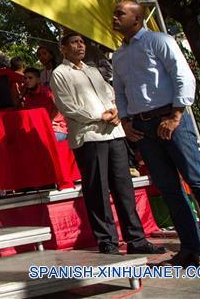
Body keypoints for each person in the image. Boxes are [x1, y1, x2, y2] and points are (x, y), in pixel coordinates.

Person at [113, 1, 200, 271]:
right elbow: (119, 91)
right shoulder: (118, 55)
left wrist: (176, 116)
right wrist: (125, 120)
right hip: (142, 127)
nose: (114, 17)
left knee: (199, 183)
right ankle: (191, 250)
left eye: (120, 13)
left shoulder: (159, 41)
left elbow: (183, 76)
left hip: (172, 119)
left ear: (137, 19)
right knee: (168, 189)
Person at [52, 32, 165, 256]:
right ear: (63, 49)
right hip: (89, 136)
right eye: (74, 43)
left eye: (82, 42)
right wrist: (99, 116)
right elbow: (67, 107)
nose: (80, 46)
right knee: (98, 190)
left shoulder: (93, 70)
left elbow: (111, 94)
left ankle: (137, 239)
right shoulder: (59, 74)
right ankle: (107, 241)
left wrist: (115, 112)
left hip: (114, 133)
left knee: (124, 188)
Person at [21, 67, 68, 142]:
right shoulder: (28, 96)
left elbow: (58, 108)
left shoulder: (47, 93)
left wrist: (49, 122)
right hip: (40, 129)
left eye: (30, 78)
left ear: (38, 80)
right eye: (25, 78)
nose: (27, 81)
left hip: (56, 128)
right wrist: (21, 95)